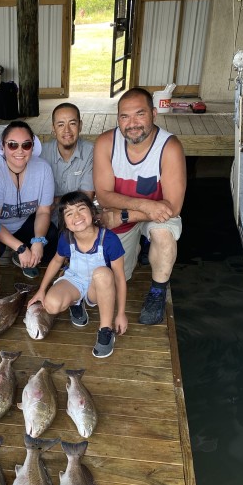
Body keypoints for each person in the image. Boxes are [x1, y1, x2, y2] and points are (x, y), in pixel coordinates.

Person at [93, 86, 186, 325]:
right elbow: (103, 195)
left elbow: (173, 206)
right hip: (137, 209)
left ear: (154, 114)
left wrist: (126, 215)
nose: (132, 123)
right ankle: (140, 246)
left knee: (164, 236)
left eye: (139, 114)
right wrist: (143, 206)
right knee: (111, 281)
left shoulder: (170, 147)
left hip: (156, 213)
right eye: (124, 116)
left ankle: (157, 290)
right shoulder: (106, 142)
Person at [27, 191, 127, 358]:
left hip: (98, 287)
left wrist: (121, 313)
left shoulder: (109, 239)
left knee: (102, 273)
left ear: (93, 212)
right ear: (65, 222)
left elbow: (120, 278)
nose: (77, 216)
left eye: (81, 209)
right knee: (51, 305)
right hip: (75, 280)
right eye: (69, 213)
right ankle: (76, 302)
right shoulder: (66, 238)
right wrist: (42, 289)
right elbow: (56, 262)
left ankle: (105, 330)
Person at [0, 120, 56, 280]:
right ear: (3, 146)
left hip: (24, 224)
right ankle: (19, 252)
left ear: (32, 147)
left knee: (52, 236)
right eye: (13, 145)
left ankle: (23, 257)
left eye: (26, 145)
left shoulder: (43, 169)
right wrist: (20, 247)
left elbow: (43, 211)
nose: (20, 151)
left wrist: (38, 241)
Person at [41, 102, 95, 326]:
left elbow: (86, 197)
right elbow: (37, 199)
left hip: (76, 220)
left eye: (72, 123)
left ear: (80, 125)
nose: (67, 130)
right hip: (49, 221)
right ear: (53, 129)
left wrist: (53, 201)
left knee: (84, 248)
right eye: (60, 124)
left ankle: (76, 297)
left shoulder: (91, 151)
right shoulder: (42, 152)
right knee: (43, 254)